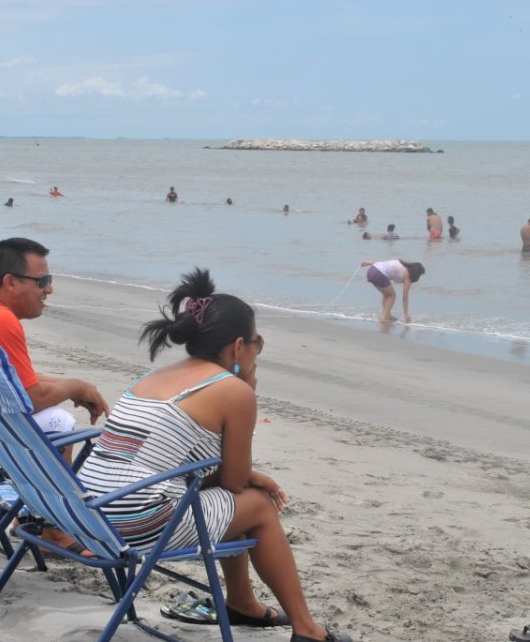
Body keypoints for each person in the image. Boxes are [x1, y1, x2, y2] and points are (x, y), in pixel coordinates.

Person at [76, 268, 351, 642]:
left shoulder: (154, 376)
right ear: (239, 346)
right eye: (258, 343)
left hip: (94, 513)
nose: (257, 351)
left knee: (224, 501)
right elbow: (235, 480)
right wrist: (246, 391)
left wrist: (244, 476)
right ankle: (306, 629)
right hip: (136, 521)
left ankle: (242, 603)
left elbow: (185, 467)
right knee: (257, 506)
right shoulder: (231, 391)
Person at [0, 238, 110, 550]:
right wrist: (74, 388)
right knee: (58, 422)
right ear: (11, 282)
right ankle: (52, 529)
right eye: (43, 281)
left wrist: (75, 385)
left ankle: (33, 519)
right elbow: (28, 397)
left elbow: (14, 380)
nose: (49, 290)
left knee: (47, 417)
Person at [361, 259, 426, 323]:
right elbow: (405, 298)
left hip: (371, 271)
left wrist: (368, 263)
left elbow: (381, 264)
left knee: (386, 295)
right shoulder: (407, 277)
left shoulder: (400, 264)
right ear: (416, 274)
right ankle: (384, 318)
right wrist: (406, 315)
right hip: (379, 274)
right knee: (392, 296)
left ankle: (388, 315)